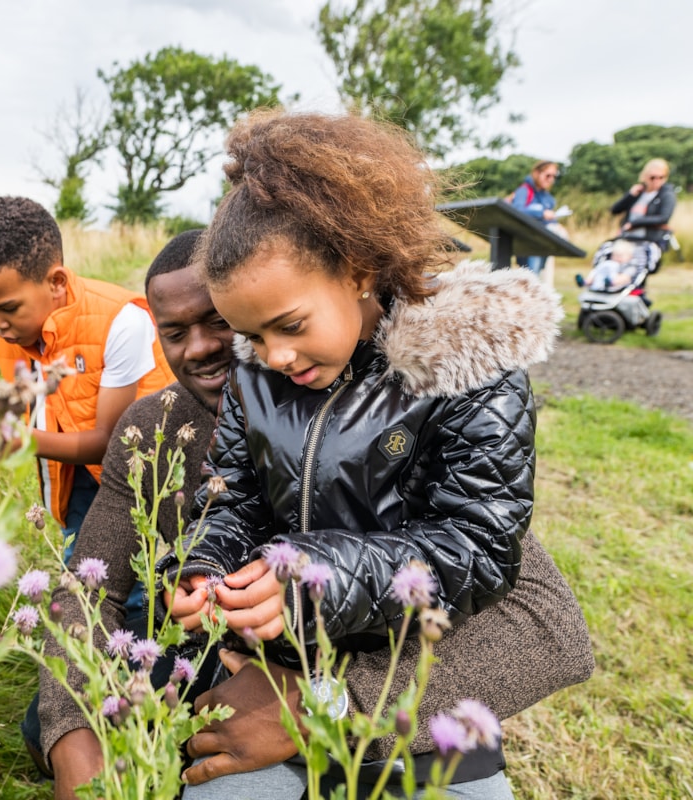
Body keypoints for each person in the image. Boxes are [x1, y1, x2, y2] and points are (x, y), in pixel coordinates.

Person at [33, 229, 592, 799]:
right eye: (175, 332)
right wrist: (71, 733)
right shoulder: (155, 428)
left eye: (223, 324)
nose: (203, 347)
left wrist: (319, 703)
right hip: (235, 676)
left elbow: (545, 624)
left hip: (385, 707)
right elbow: (88, 586)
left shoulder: (385, 405)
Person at [160, 110, 593, 798]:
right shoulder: (255, 374)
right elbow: (232, 494)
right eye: (249, 334)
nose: (273, 356)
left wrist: (322, 576)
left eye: (290, 325)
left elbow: (479, 546)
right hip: (276, 666)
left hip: (415, 676)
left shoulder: (465, 363)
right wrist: (203, 562)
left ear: (357, 269)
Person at [0, 196, 175, 544]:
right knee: (86, 577)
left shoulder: (122, 322)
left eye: (7, 308)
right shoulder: (15, 329)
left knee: (125, 585)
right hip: (72, 476)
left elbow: (111, 444)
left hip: (138, 473)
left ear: (56, 282)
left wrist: (15, 441)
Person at [611, 158, 677, 252]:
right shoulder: (638, 192)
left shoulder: (667, 195)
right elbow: (614, 210)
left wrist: (634, 223)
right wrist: (630, 195)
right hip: (627, 237)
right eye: (652, 177)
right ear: (645, 176)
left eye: (661, 177)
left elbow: (663, 218)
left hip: (650, 239)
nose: (656, 180)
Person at [509, 160, 561, 276]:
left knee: (538, 278)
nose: (551, 179)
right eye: (548, 175)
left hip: (543, 244)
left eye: (554, 176)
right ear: (537, 173)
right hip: (527, 243)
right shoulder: (524, 191)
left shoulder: (548, 198)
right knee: (531, 277)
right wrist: (541, 213)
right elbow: (517, 210)